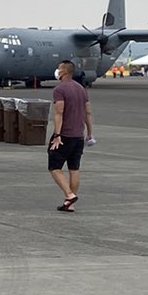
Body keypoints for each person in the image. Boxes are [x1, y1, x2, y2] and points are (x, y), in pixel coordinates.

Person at [49, 60, 92, 212]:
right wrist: (90, 133)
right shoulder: (81, 89)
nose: (57, 71)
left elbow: (59, 113)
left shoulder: (60, 89)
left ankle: (69, 194)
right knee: (74, 168)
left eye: (59, 68)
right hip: (78, 135)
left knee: (54, 167)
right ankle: (70, 204)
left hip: (65, 135)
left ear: (64, 72)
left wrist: (57, 134)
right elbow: (88, 112)